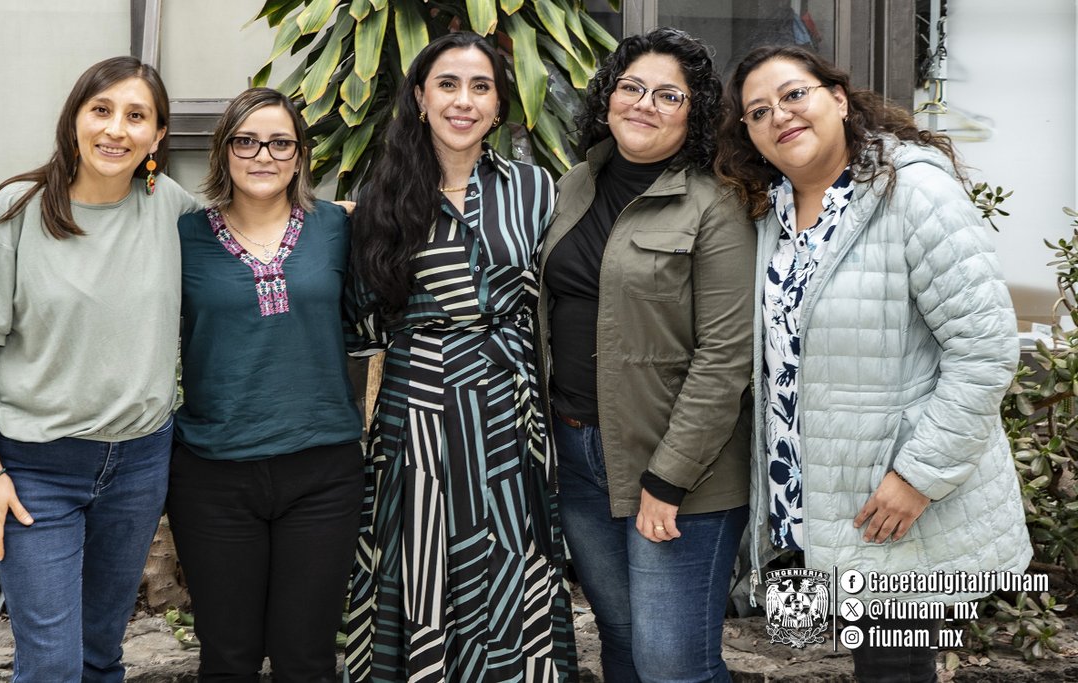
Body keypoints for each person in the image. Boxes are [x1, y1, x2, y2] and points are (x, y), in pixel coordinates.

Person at [715, 45, 1032, 682]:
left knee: (894, 672)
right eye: (759, 111)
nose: (780, 115)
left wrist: (919, 475)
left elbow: (986, 346)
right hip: (807, 501)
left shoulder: (911, 190)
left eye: (793, 94)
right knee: (842, 664)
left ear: (838, 98)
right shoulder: (769, 210)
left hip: (896, 500)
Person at [0, 56, 199, 681]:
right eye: (101, 110)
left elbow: (253, 228)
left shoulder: (168, 205)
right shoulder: (18, 209)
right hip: (35, 469)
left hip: (139, 464)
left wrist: (343, 218)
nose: (116, 129)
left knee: (100, 653)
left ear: (157, 136)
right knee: (52, 664)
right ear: (75, 118)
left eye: (136, 116)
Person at [345, 31, 577, 683]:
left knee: (511, 556)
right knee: (419, 561)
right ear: (420, 98)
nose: (463, 101)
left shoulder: (535, 189)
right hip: (417, 412)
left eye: (481, 87)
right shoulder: (380, 195)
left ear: (499, 106)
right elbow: (361, 314)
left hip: (509, 411)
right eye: (447, 84)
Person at [537, 28, 754, 683]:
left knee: (672, 663)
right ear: (608, 97)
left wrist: (668, 479)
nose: (644, 104)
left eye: (668, 95)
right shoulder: (574, 185)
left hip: (679, 468)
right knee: (623, 640)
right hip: (578, 452)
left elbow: (726, 355)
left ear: (694, 114)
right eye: (632, 87)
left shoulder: (714, 203)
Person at [165, 87, 363, 682]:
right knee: (228, 658)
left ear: (300, 155)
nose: (263, 155)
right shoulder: (181, 236)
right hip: (214, 475)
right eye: (246, 141)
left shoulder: (337, 227)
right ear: (223, 151)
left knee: (307, 658)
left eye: (280, 143)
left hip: (321, 470)